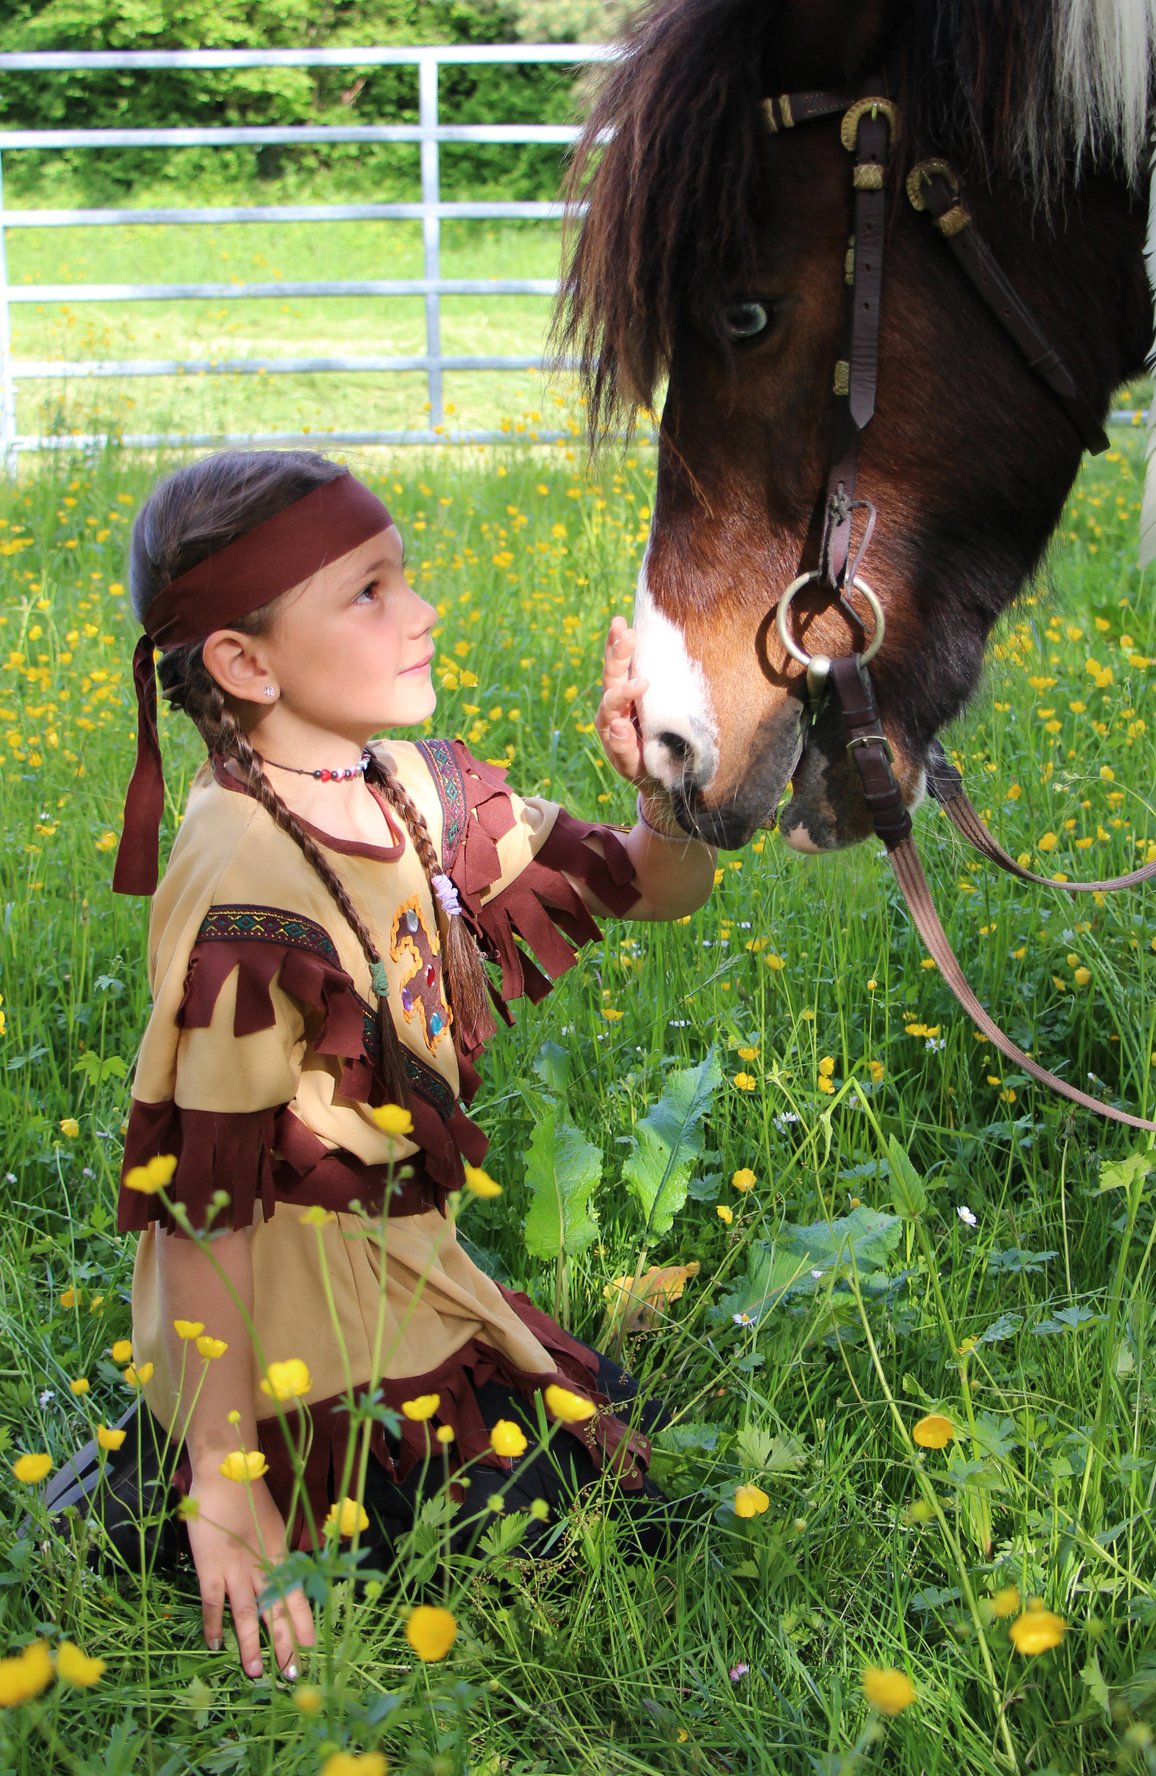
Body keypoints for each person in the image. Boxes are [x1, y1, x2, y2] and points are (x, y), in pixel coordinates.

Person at [59, 449, 716, 1683]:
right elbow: (204, 1206)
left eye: (403, 577)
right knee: (529, 1537)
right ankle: (204, 1475)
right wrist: (228, 1481)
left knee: (620, 1479)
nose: (421, 611)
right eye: (369, 591)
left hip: (406, 1271)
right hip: (292, 1323)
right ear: (245, 662)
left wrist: (668, 788)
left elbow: (652, 883)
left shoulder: (416, 792)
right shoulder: (243, 871)